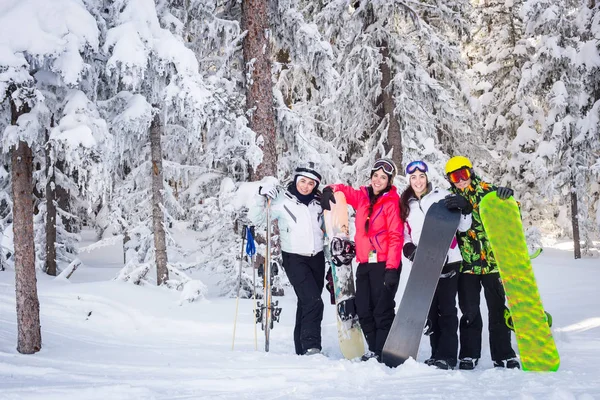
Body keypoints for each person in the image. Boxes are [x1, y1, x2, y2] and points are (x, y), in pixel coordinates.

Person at [321, 158, 403, 362]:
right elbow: (344, 191)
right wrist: (329, 190)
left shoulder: (392, 202)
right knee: (364, 309)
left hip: (385, 264)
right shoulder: (363, 198)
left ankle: (386, 352)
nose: (378, 180)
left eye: (383, 177)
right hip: (365, 264)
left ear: (389, 180)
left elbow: (396, 236)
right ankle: (374, 350)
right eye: (375, 175)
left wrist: (392, 268)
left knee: (381, 310)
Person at [444, 156, 520, 370]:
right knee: (469, 311)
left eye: (463, 174)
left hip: (493, 263)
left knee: (497, 309)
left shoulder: (489, 192)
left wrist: (508, 199)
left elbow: (512, 217)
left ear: (471, 172)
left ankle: (503, 354)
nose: (460, 181)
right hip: (467, 266)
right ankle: (469, 354)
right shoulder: (450, 200)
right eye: (454, 177)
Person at [399, 160, 472, 370]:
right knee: (430, 310)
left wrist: (464, 209)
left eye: (421, 176)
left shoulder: (441, 197)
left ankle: (447, 356)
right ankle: (435, 353)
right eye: (413, 177)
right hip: (423, 263)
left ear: (427, 177)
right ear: (409, 180)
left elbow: (464, 227)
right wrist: (408, 249)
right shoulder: (406, 204)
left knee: (447, 309)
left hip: (449, 259)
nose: (418, 181)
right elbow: (404, 233)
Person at [247, 165, 325, 356]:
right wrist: (260, 196)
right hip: (294, 258)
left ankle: (301, 349)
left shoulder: (318, 203)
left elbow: (324, 231)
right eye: (303, 181)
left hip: (318, 258)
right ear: (296, 180)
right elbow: (257, 218)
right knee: (314, 302)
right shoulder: (282, 200)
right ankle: (311, 347)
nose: (306, 186)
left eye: (311, 183)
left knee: (306, 302)